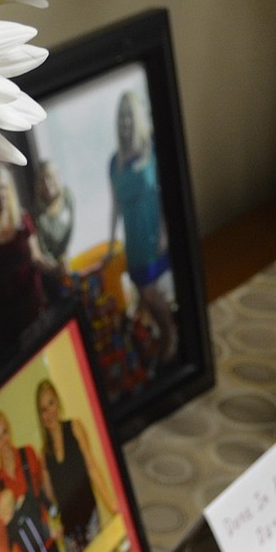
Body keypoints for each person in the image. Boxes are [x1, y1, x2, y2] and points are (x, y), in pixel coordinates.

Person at [106, 91, 177, 363]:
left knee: (152, 293)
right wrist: (112, 244)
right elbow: (115, 205)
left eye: (128, 115)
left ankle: (170, 334)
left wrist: (165, 230)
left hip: (152, 231)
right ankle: (165, 334)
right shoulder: (114, 162)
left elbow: (163, 192)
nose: (125, 121)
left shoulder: (152, 148)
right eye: (121, 116)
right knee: (144, 294)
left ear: (136, 117)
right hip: (132, 238)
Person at [35, 379, 118, 552]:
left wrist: (111, 502)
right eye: (43, 409)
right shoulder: (44, 453)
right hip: (70, 533)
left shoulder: (75, 427)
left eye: (51, 403)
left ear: (58, 402)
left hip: (90, 517)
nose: (49, 412)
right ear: (40, 415)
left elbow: (91, 467)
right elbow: (51, 499)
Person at [0, 165, 58, 352]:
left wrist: (55, 268)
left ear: (10, 191)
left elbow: (36, 257)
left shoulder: (23, 219)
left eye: (3, 188)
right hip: (5, 314)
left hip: (33, 305)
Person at [0, 409, 65, 552]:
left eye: (4, 433)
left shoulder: (28, 453)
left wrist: (56, 517)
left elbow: (44, 493)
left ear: (10, 431)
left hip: (47, 542)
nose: (3, 441)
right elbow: (7, 531)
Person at [34, 160, 74, 301]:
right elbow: (41, 249)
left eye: (49, 177)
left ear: (56, 177)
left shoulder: (68, 196)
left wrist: (65, 256)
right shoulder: (38, 213)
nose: (46, 183)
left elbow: (70, 230)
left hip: (68, 261)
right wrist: (56, 266)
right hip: (50, 270)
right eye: (42, 179)